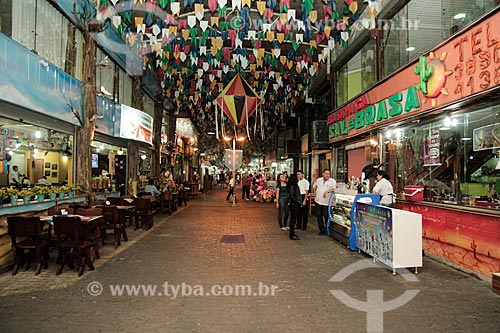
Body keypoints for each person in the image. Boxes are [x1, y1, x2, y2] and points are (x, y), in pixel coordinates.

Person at [313, 169, 337, 235]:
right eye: (326, 173)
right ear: (323, 174)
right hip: (318, 201)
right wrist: (314, 194)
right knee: (318, 215)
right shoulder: (319, 180)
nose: (327, 175)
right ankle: (321, 229)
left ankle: (328, 229)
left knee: (327, 216)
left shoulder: (332, 181)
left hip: (327, 202)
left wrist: (327, 191)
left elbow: (334, 189)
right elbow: (314, 186)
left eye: (328, 174)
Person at [287, 174, 302, 240]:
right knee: (293, 219)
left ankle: (292, 233)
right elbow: (292, 196)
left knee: (293, 219)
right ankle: (292, 234)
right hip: (294, 204)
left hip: (294, 204)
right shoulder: (293, 186)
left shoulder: (292, 186)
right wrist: (298, 202)